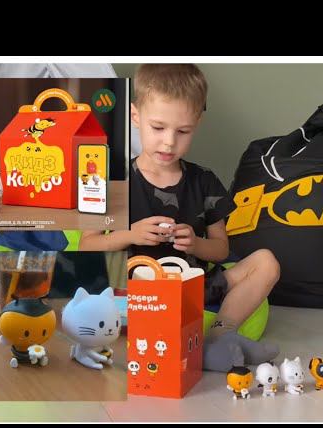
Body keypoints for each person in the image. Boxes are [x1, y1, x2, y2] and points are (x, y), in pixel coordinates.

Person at [81, 64, 281, 372]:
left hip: (194, 288)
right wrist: (131, 234)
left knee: (266, 261)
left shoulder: (204, 181)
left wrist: (196, 244)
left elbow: (221, 250)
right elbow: (87, 245)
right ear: (135, 116)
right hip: (135, 293)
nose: (169, 142)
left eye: (183, 131)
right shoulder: (113, 181)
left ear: (197, 123)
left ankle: (218, 336)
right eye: (158, 128)